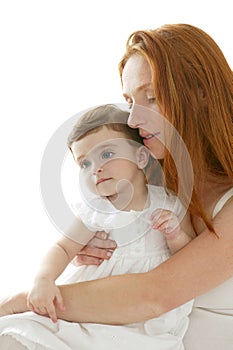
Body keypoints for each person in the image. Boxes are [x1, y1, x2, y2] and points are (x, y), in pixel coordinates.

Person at [0, 23, 232, 349]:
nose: (133, 120)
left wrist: (26, 300)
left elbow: (153, 295)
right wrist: (95, 249)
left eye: (151, 97)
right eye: (129, 100)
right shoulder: (147, 182)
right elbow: (83, 239)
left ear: (201, 94)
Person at [0, 104, 195, 349]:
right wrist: (44, 279)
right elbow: (63, 248)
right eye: (85, 164)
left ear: (140, 157)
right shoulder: (96, 210)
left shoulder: (168, 202)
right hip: (93, 305)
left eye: (106, 154)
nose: (96, 169)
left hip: (144, 315)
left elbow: (188, 256)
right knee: (33, 332)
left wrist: (175, 234)